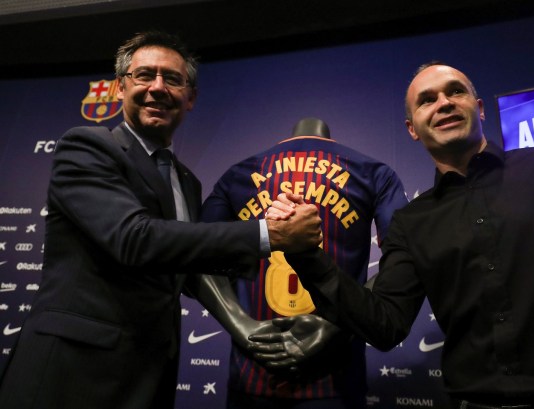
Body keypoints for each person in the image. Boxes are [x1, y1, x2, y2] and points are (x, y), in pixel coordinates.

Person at [267, 63, 534, 409]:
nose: (443, 103)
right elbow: (383, 325)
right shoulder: (411, 222)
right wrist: (306, 256)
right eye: (427, 100)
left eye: (454, 92)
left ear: (478, 108)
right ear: (412, 128)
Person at [0, 31, 321, 409]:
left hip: (148, 371)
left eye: (172, 79)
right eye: (144, 75)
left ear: (190, 98)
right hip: (73, 373)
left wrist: (248, 321)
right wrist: (270, 233)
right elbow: (135, 239)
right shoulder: (87, 147)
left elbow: (188, 261)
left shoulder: (187, 181)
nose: (157, 87)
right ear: (120, 88)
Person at [196, 117, 408, 408]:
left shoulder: (238, 175)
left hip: (254, 373)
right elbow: (403, 262)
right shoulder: (373, 172)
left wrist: (244, 328)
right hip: (335, 381)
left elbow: (195, 257)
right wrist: (335, 328)